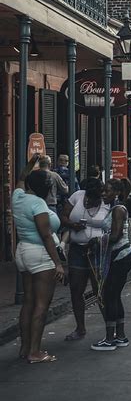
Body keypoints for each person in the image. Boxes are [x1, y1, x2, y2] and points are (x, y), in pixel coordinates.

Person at [12, 154, 64, 363]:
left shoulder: (18, 197)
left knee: (29, 302)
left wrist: (31, 162)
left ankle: (25, 348)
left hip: (23, 251)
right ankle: (35, 351)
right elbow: (45, 236)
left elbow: (22, 178)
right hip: (40, 253)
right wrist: (58, 264)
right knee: (42, 305)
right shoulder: (39, 205)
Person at [61, 178, 110, 340]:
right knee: (76, 290)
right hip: (77, 249)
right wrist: (73, 225)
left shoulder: (106, 202)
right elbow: (64, 216)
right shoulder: (77, 196)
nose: (89, 202)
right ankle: (80, 328)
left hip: (97, 251)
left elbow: (114, 227)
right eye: (88, 198)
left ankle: (110, 330)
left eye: (93, 199)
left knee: (100, 291)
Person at [90, 179, 131, 351]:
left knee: (110, 296)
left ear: (116, 192)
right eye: (103, 191)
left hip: (121, 256)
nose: (103, 194)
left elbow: (115, 236)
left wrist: (97, 240)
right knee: (114, 295)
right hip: (118, 256)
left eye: (107, 191)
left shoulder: (118, 210)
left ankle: (110, 339)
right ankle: (120, 336)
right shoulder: (115, 208)